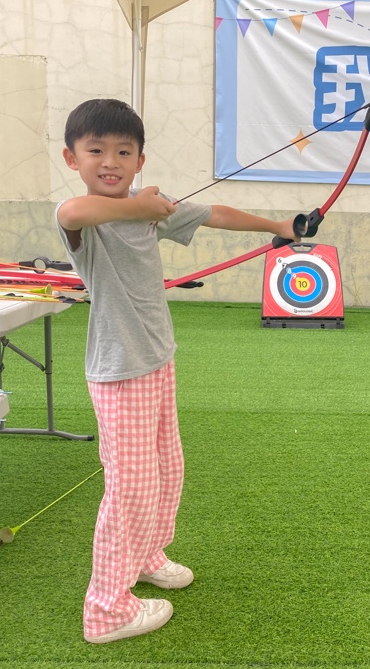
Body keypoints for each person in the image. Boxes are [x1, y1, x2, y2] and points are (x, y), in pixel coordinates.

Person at [55, 98, 301, 644]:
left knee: (166, 467)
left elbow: (215, 214)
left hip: (156, 361)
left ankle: (144, 558)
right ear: (72, 159)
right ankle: (105, 610)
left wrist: (278, 225)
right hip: (119, 371)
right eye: (96, 151)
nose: (111, 161)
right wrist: (143, 207)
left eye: (124, 151)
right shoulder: (88, 220)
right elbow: (73, 213)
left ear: (140, 159)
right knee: (131, 488)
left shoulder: (146, 210)